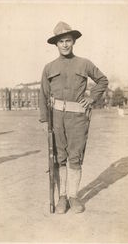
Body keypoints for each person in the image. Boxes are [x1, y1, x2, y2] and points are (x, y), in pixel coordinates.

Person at [39, 22, 109, 214]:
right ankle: (62, 198)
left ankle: (73, 197)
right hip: (56, 118)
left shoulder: (84, 63)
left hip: (78, 118)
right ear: (56, 44)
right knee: (59, 158)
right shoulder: (49, 67)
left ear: (74, 41)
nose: (65, 44)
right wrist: (45, 120)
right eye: (61, 41)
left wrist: (92, 97)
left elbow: (103, 80)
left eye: (68, 40)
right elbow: (43, 95)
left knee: (75, 158)